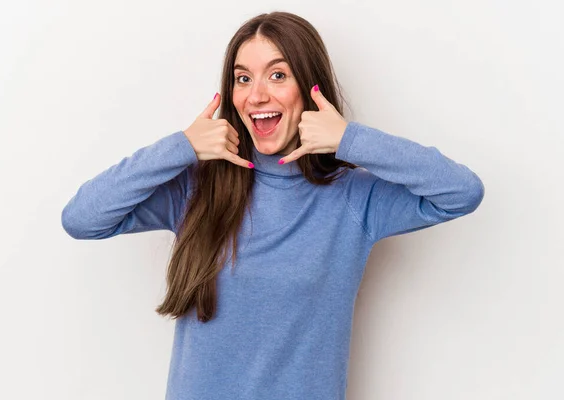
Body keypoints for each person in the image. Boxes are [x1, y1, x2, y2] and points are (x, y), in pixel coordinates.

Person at [61, 11, 485, 400]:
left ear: (309, 86)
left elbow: (461, 192)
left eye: (277, 75)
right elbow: (82, 218)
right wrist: (182, 147)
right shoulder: (196, 189)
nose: (256, 95)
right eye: (242, 79)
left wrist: (349, 139)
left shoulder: (355, 198)